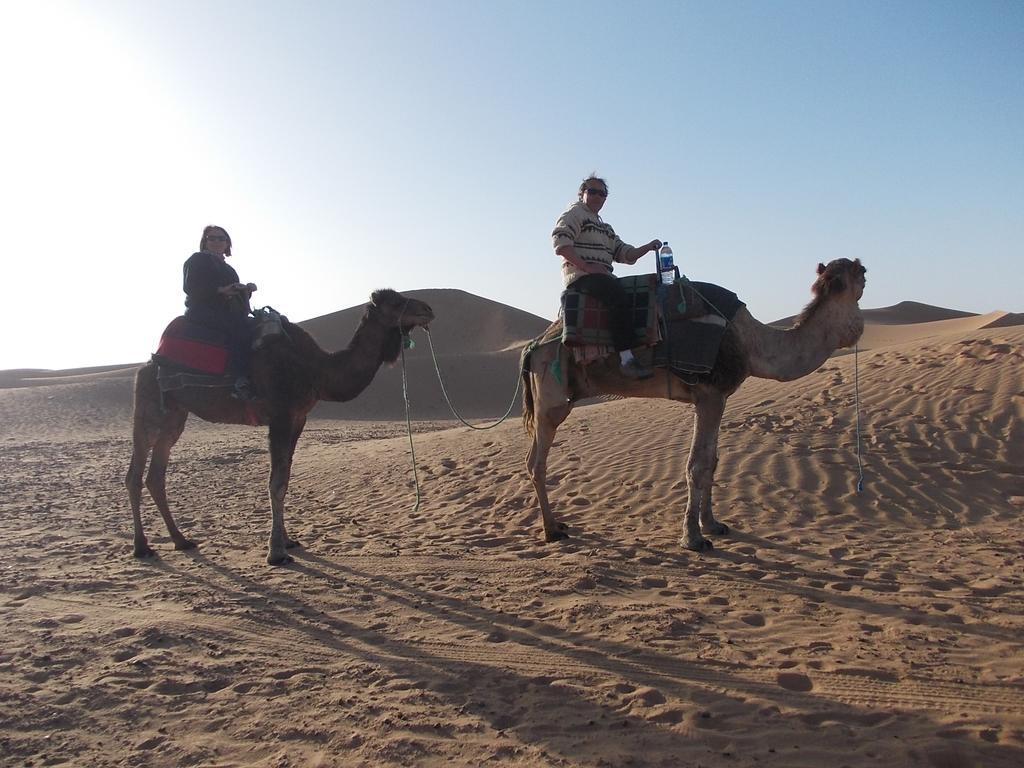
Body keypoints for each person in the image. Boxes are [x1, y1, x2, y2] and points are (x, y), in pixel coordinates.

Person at [552, 175, 662, 379]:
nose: (597, 196)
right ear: (582, 193)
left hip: (602, 277)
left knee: (644, 289)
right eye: (592, 191)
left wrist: (647, 247)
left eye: (602, 193)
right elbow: (561, 243)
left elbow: (625, 254)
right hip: (581, 277)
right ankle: (627, 359)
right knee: (617, 296)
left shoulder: (605, 228)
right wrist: (586, 266)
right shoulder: (575, 214)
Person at [183, 225, 258, 397]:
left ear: (227, 243)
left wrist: (245, 290)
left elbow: (235, 297)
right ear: (205, 242)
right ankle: (238, 380)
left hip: (227, 311)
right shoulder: (196, 260)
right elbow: (190, 287)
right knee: (240, 329)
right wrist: (220, 290)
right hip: (201, 311)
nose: (217, 241)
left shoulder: (229, 269)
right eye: (212, 238)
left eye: (221, 238)